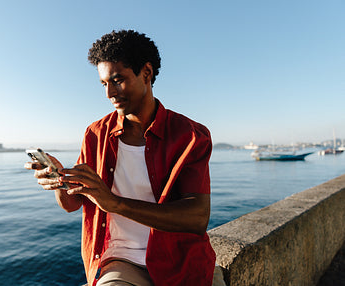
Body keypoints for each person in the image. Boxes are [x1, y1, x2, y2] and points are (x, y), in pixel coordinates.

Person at [25, 30, 217, 286]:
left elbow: (196, 218)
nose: (109, 93)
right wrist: (60, 183)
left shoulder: (191, 136)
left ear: (146, 73)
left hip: (181, 265)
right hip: (120, 262)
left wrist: (114, 203)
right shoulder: (96, 134)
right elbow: (73, 205)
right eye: (104, 83)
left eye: (117, 80)